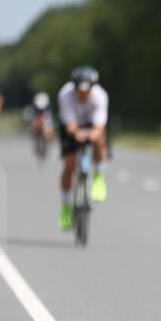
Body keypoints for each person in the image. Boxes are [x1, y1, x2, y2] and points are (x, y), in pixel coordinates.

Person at [57, 66, 108, 230]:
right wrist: (76, 133)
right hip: (71, 124)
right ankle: (66, 205)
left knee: (100, 140)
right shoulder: (65, 95)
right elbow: (70, 125)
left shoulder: (100, 96)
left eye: (87, 93)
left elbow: (99, 125)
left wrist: (94, 134)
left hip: (91, 123)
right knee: (70, 165)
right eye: (80, 93)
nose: (83, 96)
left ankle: (98, 177)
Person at [30, 92, 54, 157]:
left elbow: (49, 124)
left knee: (48, 133)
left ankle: (45, 144)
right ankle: (35, 143)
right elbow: (33, 123)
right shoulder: (34, 110)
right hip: (37, 122)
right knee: (33, 129)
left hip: (46, 123)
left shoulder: (48, 111)